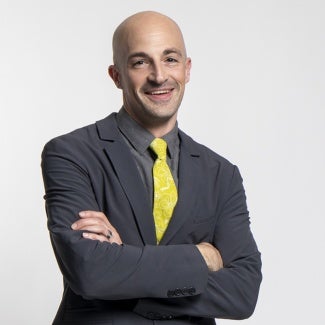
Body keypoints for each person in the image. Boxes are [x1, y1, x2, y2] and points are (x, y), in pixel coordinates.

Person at [41, 11, 262, 325]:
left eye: (170, 59)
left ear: (187, 69)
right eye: (140, 62)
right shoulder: (72, 153)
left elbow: (242, 292)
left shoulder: (221, 174)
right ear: (116, 75)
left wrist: (124, 267)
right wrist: (203, 257)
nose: (159, 76)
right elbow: (91, 273)